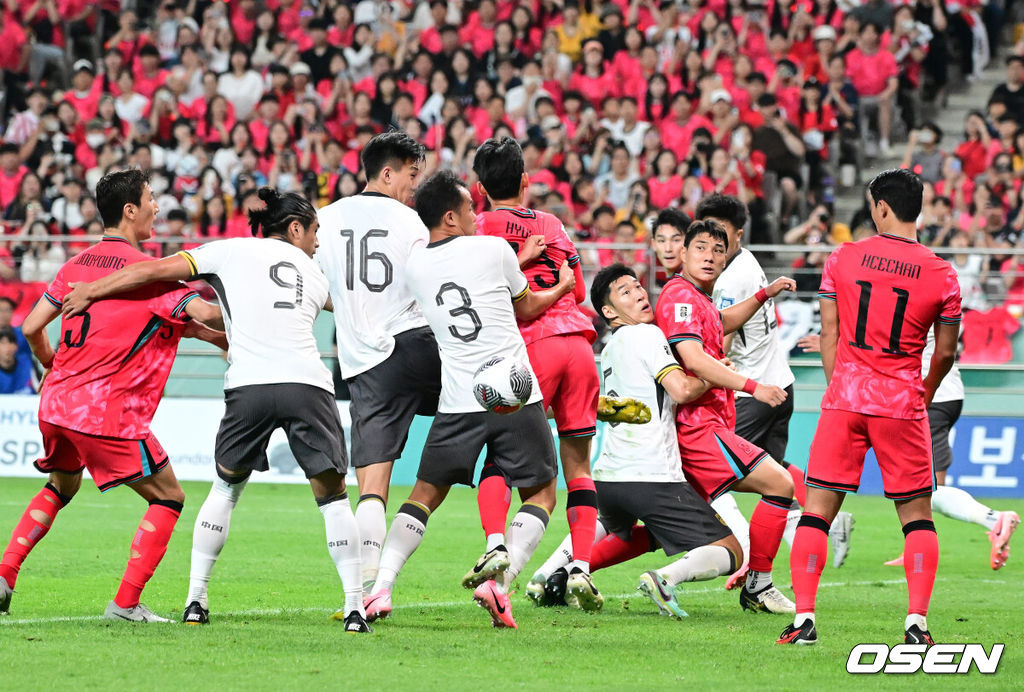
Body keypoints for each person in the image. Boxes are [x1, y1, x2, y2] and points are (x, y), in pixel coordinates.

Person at [62, 187, 369, 633]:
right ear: (295, 228)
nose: (318, 242)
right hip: (308, 385)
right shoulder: (315, 274)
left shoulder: (225, 252)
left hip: (249, 387)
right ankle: (355, 608)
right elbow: (344, 308)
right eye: (315, 231)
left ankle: (194, 600)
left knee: (225, 490)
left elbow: (152, 271)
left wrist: (94, 289)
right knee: (334, 498)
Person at [0, 169, 224, 622]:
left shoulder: (74, 265)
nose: (156, 207)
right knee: (169, 496)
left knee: (61, 485)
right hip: (105, 412)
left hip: (56, 403)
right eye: (151, 199)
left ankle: (4, 573)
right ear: (130, 211)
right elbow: (205, 313)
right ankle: (125, 604)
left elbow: (28, 327)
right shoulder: (149, 274)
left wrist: (50, 363)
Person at [364, 170, 574, 628]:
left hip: (459, 399)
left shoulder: (416, 265)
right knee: (540, 491)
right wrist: (559, 287)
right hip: (515, 393)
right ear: (450, 216)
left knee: (423, 495)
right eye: (469, 209)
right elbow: (525, 306)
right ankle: (500, 583)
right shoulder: (495, 249)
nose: (477, 216)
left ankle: (380, 587)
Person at [778, 169, 962, 647]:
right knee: (917, 517)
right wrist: (923, 391)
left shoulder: (844, 257)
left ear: (880, 207)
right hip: (902, 402)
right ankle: (916, 624)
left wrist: (842, 384)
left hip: (846, 399)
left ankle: (804, 621)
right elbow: (944, 352)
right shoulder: (942, 272)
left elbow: (830, 334)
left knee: (817, 513)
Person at [531, 263, 745, 618]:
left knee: (629, 529)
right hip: (651, 475)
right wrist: (717, 374)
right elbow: (682, 389)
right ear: (609, 311)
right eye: (626, 292)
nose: (640, 294)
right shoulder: (648, 335)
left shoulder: (611, 347)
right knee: (732, 548)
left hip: (609, 477)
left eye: (638, 287)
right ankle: (664, 579)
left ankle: (548, 574)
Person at [473, 136, 604, 611]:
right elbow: (582, 287)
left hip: (531, 349)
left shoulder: (479, 225)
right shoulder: (551, 222)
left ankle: (494, 543)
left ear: (480, 188)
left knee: (500, 457)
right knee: (578, 467)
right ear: (525, 181)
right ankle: (582, 568)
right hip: (580, 345)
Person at [696, 194, 855, 578]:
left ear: (737, 234)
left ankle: (735, 553)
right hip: (779, 382)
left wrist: (706, 369)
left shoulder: (732, 277)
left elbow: (724, 333)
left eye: (720, 235)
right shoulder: (747, 260)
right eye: (704, 235)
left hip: (752, 392)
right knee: (774, 471)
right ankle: (827, 526)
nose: (712, 244)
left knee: (710, 473)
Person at [315, 131, 442, 595]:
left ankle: (369, 584)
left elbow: (315, 289)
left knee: (372, 482)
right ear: (386, 173)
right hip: (417, 345)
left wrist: (349, 307)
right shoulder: (414, 223)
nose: (415, 186)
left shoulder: (323, 221)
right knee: (478, 415)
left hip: (367, 363)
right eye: (412, 175)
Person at [654, 217, 799, 614]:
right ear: (683, 253)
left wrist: (764, 294)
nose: (710, 256)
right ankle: (759, 586)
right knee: (781, 484)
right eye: (700, 247)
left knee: (647, 527)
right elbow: (695, 360)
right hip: (699, 429)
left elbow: (723, 322)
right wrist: (752, 386)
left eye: (718, 251)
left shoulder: (697, 299)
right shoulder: (681, 298)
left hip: (700, 427)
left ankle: (565, 570)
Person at [799, 330, 1020, 571]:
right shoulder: (936, 293)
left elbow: (887, 338)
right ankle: (914, 547)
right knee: (929, 486)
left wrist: (837, 345)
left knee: (922, 489)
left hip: (923, 395)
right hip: (943, 392)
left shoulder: (910, 296)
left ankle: (993, 518)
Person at [0, 327, 34, 393]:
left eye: (11, 342)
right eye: (3, 343)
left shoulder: (28, 363)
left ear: (17, 346)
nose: (8, 347)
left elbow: (41, 389)